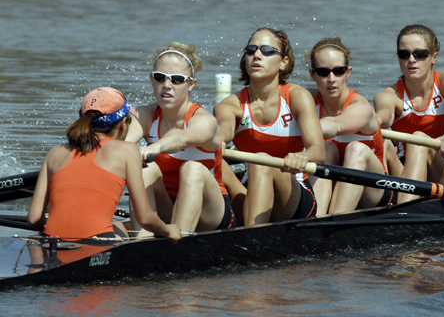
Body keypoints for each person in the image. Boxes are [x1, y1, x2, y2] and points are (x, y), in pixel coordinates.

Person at [28, 87, 181, 243]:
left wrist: (63, 234)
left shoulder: (55, 152)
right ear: (123, 124)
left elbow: (34, 218)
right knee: (120, 229)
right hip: (98, 242)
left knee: (117, 226)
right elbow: (145, 218)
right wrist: (168, 230)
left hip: (52, 241)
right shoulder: (128, 151)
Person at [214, 28, 324, 224]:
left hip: (294, 197)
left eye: (266, 50)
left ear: (284, 62)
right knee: (207, 158)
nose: (257, 55)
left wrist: (302, 157)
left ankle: (249, 238)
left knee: (262, 161)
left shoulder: (297, 96)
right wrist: (218, 140)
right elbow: (224, 128)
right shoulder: (230, 105)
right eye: (251, 50)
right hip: (248, 187)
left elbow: (318, 151)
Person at [127, 43, 234, 235]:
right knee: (144, 168)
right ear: (152, 80)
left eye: (177, 80)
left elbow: (182, 137)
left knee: (192, 168)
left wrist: (156, 147)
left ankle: (177, 246)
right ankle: (140, 244)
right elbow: (122, 144)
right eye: (160, 78)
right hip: (168, 206)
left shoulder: (204, 120)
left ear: (191, 84)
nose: (166, 85)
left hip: (210, 213)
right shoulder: (145, 114)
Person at [375, 24, 444, 203]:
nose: (411, 59)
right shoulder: (388, 95)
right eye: (404, 54)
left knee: (418, 140)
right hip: (404, 170)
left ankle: (403, 210)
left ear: (434, 57)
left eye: (420, 54)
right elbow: (382, 116)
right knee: (382, 141)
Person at [306, 37, 393, 214]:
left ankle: (332, 223)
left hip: (374, 190)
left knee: (356, 149)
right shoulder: (305, 99)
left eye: (338, 71)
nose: (331, 79)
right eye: (323, 72)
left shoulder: (361, 107)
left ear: (348, 72)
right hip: (334, 183)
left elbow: (335, 125)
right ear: (312, 74)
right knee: (326, 148)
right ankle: (316, 219)